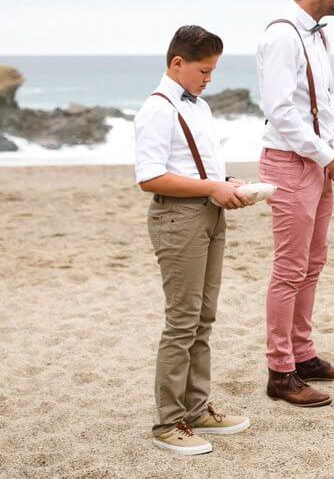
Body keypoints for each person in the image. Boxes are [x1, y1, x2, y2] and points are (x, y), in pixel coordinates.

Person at [134, 25, 251, 455]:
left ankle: (198, 408)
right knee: (181, 322)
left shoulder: (198, 106)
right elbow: (149, 177)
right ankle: (168, 422)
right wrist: (210, 188)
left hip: (209, 213)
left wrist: (225, 182)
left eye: (214, 71)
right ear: (177, 64)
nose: (209, 79)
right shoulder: (157, 109)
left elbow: (193, 165)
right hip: (177, 219)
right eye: (204, 70)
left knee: (204, 317)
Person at [257, 0, 334, 407]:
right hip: (289, 163)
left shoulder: (317, 37)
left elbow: (324, 105)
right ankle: (281, 373)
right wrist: (323, 154)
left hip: (316, 162)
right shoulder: (282, 37)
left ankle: (303, 354)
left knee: (313, 263)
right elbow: (282, 112)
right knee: (289, 268)